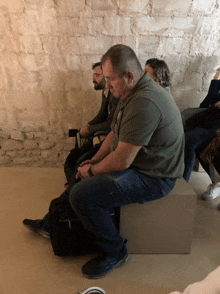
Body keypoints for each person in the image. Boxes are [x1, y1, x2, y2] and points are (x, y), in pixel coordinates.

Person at [23, 44, 185, 278]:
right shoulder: (131, 92)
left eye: (109, 79)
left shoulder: (144, 102)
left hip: (156, 176)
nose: (106, 85)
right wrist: (91, 162)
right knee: (81, 165)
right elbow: (114, 135)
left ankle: (116, 252)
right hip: (142, 163)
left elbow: (121, 160)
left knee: (82, 194)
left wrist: (92, 171)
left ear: (129, 75)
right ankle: (53, 220)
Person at [64, 62, 118, 186]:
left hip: (108, 136)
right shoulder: (106, 93)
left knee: (78, 160)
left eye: (97, 75)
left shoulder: (115, 94)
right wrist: (87, 126)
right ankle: (73, 184)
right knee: (73, 159)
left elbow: (111, 123)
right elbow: (101, 115)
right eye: (94, 75)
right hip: (104, 133)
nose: (93, 78)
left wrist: (89, 130)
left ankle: (74, 187)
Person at [183, 68, 220, 200]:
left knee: (191, 139)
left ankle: (183, 181)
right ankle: (182, 180)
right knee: (186, 130)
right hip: (211, 121)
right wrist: (217, 75)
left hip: (216, 126)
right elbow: (205, 103)